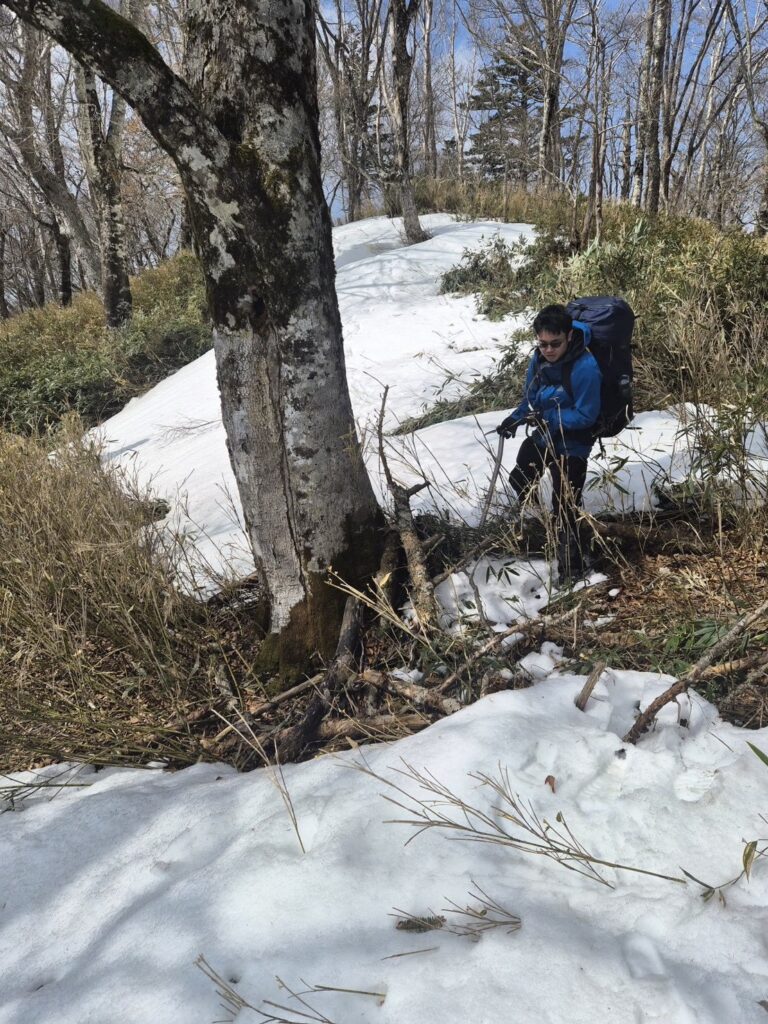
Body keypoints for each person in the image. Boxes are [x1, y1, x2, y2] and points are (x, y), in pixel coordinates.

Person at [496, 303, 602, 584]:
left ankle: (573, 571)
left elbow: (586, 415)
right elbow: (531, 397)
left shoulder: (586, 367)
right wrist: (515, 419)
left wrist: (550, 417)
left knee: (565, 504)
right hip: (546, 433)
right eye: (543, 344)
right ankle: (538, 526)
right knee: (520, 477)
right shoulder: (539, 359)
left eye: (555, 344)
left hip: (574, 443)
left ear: (568, 336)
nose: (548, 350)